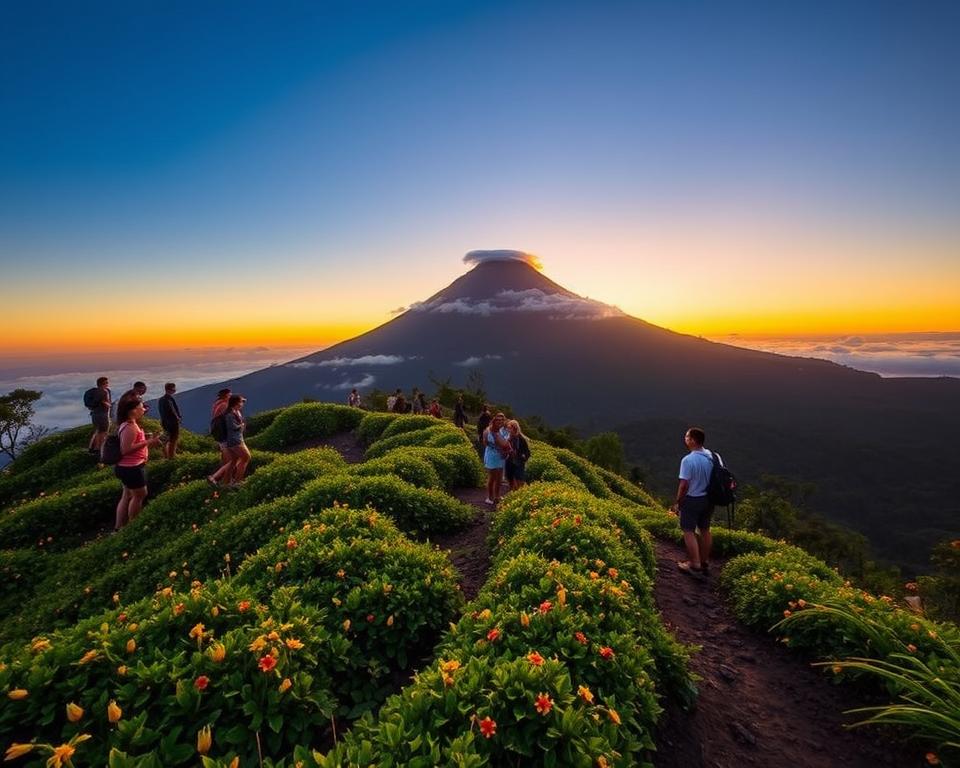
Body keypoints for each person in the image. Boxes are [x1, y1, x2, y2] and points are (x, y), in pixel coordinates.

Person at [670, 427, 721, 578]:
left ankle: (695, 564)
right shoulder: (714, 456)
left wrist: (678, 502)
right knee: (705, 529)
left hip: (693, 499)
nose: (685, 439)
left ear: (692, 440)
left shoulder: (688, 460)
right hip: (709, 500)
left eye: (687, 436)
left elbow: (684, 485)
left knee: (688, 531)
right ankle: (704, 562)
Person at [114, 397, 163, 530]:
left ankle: (119, 526)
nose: (144, 409)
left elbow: (131, 443)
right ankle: (133, 526)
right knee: (139, 495)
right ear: (133, 410)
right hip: (132, 468)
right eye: (142, 407)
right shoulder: (130, 426)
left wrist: (145, 438)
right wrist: (149, 442)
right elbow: (125, 449)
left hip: (126, 467)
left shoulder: (128, 424)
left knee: (128, 495)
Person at [482, 412, 511, 505]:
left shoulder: (500, 430)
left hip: (499, 456)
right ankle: (490, 497)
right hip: (492, 456)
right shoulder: (489, 431)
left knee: (499, 478)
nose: (500, 421)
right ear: (494, 420)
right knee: (492, 477)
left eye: (502, 420)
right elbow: (504, 444)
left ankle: (497, 496)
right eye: (498, 419)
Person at [207, 388, 233, 487]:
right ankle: (223, 480)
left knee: (225, 457)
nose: (231, 396)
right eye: (230, 395)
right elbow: (229, 421)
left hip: (218, 433)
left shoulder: (217, 403)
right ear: (226, 395)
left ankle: (222, 479)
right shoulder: (224, 405)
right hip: (224, 434)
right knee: (230, 459)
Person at [224, 394, 251, 487]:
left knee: (234, 461)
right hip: (235, 441)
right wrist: (242, 426)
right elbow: (232, 427)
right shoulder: (230, 414)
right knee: (246, 457)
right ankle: (237, 482)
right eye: (241, 402)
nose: (242, 404)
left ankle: (227, 483)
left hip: (233, 440)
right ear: (236, 403)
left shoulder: (234, 412)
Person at [87, 376, 112, 454]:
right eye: (107, 382)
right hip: (103, 414)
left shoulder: (94, 392)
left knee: (97, 431)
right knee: (104, 432)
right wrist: (111, 405)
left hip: (94, 414)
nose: (108, 384)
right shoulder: (104, 391)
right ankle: (99, 449)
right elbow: (105, 403)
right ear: (103, 383)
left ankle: (92, 448)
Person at [157, 382, 182, 459]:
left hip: (165, 422)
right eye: (173, 389)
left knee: (167, 439)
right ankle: (171, 457)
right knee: (173, 440)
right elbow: (172, 411)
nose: (174, 390)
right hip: (172, 423)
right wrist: (178, 418)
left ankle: (166, 455)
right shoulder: (168, 399)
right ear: (170, 389)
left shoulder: (161, 399)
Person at [505, 419, 531, 491]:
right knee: (510, 479)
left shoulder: (521, 439)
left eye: (509, 428)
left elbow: (527, 452)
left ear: (514, 428)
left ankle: (518, 495)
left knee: (519, 480)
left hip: (518, 462)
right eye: (508, 428)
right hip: (510, 460)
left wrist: (523, 457)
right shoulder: (509, 438)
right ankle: (512, 495)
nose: (508, 430)